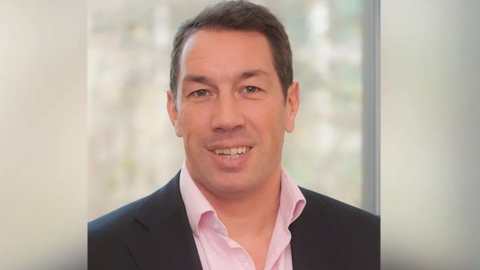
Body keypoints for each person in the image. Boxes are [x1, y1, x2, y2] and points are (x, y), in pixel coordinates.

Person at [88, 1, 379, 269]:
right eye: (201, 92)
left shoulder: (373, 246)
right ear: (174, 111)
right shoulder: (96, 254)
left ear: (291, 104)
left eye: (250, 89)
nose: (226, 119)